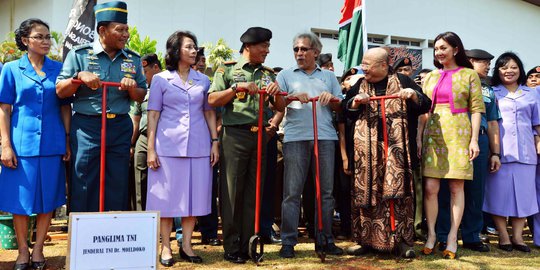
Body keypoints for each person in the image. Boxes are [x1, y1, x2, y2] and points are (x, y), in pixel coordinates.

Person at [56, 1, 147, 212]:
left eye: (127, 29)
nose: (126, 34)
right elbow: (60, 90)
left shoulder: (132, 59)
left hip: (120, 126)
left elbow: (141, 96)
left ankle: (112, 233)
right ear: (102, 30)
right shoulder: (79, 55)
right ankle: (83, 234)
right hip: (87, 127)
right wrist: (78, 78)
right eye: (120, 30)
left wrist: (132, 88)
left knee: (117, 179)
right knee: (84, 177)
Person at [343, 47, 431, 258]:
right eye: (363, 64)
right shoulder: (360, 84)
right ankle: (367, 240)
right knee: (369, 193)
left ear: (383, 65)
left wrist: (413, 95)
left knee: (397, 195)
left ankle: (400, 241)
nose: (364, 69)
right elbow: (346, 110)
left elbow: (425, 104)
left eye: (368, 65)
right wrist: (355, 102)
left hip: (397, 148)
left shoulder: (402, 80)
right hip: (368, 151)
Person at [208, 26, 285, 264]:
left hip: (260, 135)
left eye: (268, 46)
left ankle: (249, 244)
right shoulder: (227, 69)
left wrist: (277, 92)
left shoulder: (268, 73)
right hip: (235, 135)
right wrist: (235, 88)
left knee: (255, 192)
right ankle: (231, 246)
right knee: (232, 192)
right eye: (263, 46)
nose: (267, 51)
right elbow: (211, 99)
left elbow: (280, 107)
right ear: (249, 46)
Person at [0, 18, 71, 270]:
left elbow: (65, 108)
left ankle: (39, 249)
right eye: (39, 37)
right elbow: (4, 109)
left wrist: (66, 139)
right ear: (25, 41)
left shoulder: (59, 68)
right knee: (20, 201)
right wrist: (5, 144)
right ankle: (21, 251)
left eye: (47, 36)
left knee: (48, 199)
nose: (45, 41)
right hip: (21, 146)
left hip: (52, 144)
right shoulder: (10, 69)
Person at [146, 31, 219, 266]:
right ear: (175, 51)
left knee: (193, 198)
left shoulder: (203, 80)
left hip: (198, 145)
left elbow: (209, 112)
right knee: (165, 200)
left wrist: (215, 141)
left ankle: (186, 245)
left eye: (195, 46)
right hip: (167, 146)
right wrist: (150, 149)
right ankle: (165, 246)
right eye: (188, 46)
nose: (193, 50)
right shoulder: (160, 79)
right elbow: (153, 114)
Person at [276, 32, 343, 258]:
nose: (299, 53)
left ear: (316, 52)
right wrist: (290, 97)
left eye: (304, 49)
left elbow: (340, 108)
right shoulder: (285, 75)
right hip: (295, 138)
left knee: (325, 193)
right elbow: (277, 104)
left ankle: (325, 239)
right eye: (296, 49)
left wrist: (330, 99)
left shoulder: (329, 77)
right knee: (292, 193)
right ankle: (288, 242)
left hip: (324, 137)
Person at [421, 32, 485, 259]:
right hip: (433, 134)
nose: (439, 53)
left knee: (457, 187)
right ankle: (430, 235)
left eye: (443, 48)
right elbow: (423, 111)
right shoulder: (429, 77)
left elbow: (477, 109)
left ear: (456, 49)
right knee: (430, 188)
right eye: (436, 49)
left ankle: (451, 237)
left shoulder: (469, 75)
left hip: (459, 134)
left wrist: (474, 139)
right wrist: (420, 137)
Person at [435, 49, 501, 253]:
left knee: (475, 190)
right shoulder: (450, 80)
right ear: (470, 61)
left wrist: (495, 152)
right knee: (448, 188)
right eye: (484, 62)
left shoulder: (488, 90)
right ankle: (443, 235)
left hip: (479, 139)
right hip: (452, 138)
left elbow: (492, 123)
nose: (488, 67)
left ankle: (472, 235)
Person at [483, 52, 539, 253]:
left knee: (524, 196)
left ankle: (517, 237)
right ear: (498, 71)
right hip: (500, 152)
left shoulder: (531, 93)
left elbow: (537, 124)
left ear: (520, 70)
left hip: (527, 152)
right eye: (504, 67)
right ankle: (503, 236)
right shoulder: (492, 92)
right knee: (498, 195)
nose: (509, 71)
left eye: (514, 67)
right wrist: (492, 151)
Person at [130, 53, 162, 211]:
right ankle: (141, 221)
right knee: (140, 181)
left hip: (164, 138)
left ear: (156, 67)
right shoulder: (143, 92)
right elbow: (136, 120)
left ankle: (170, 227)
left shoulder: (170, 85)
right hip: (143, 138)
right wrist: (131, 144)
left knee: (166, 182)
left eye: (145, 72)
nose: (143, 77)